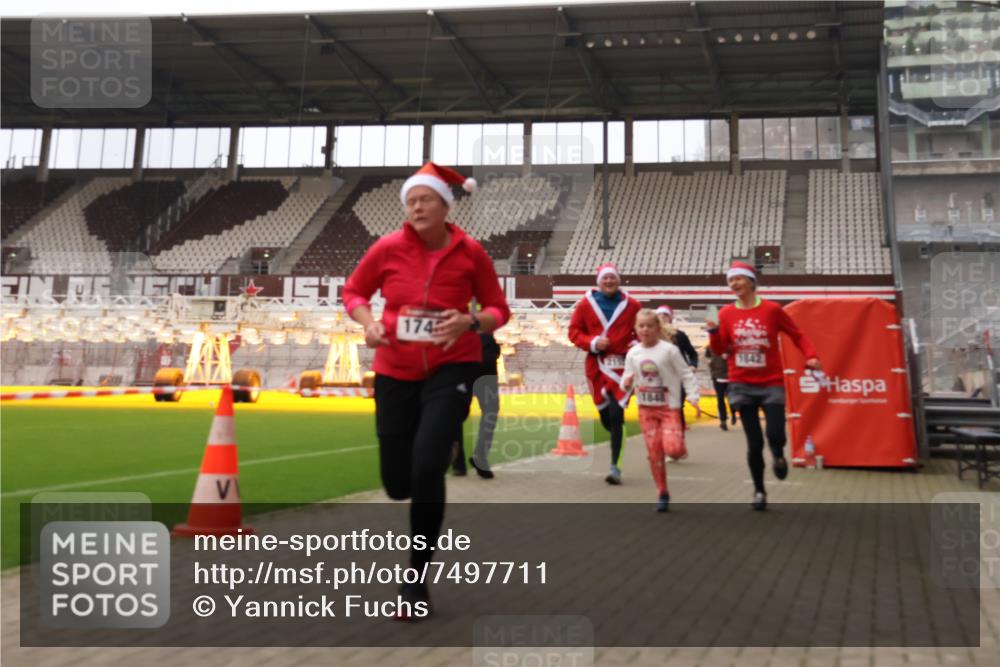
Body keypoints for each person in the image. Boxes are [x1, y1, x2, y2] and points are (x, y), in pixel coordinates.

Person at [343, 162, 510, 617]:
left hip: (451, 367)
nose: (416, 206)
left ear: (444, 205)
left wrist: (470, 322)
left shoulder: (470, 252)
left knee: (426, 468)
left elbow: (499, 308)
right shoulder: (387, 248)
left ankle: (414, 583)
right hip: (395, 368)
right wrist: (369, 323)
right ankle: (443, 446)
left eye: (425, 199)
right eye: (411, 200)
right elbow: (353, 292)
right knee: (397, 485)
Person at [706, 261, 821, 511]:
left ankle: (779, 456)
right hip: (741, 382)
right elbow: (718, 350)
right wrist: (714, 333)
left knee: (776, 435)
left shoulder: (771, 310)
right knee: (754, 442)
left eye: (738, 278)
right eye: (730, 280)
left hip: (771, 382)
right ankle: (759, 491)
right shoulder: (724, 313)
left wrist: (810, 355)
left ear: (751, 281)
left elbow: (797, 334)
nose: (734, 283)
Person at [568, 263, 641, 485]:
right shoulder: (584, 305)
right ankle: (616, 431)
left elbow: (642, 329)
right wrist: (592, 342)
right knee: (606, 418)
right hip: (596, 367)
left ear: (619, 280)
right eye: (605, 278)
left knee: (616, 415)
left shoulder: (633, 305)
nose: (609, 281)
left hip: (622, 367)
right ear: (598, 282)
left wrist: (634, 344)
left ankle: (614, 467)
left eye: (612, 278)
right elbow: (573, 332)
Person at [621, 309, 701, 512]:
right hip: (646, 410)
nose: (645, 329)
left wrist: (693, 396)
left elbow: (685, 374)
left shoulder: (669, 350)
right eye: (641, 326)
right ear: (636, 329)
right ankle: (662, 491)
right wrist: (626, 385)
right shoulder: (633, 353)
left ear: (658, 328)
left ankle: (680, 448)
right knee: (655, 453)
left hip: (669, 408)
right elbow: (627, 379)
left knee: (673, 449)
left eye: (650, 325)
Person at [451, 330, 501, 479]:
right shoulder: (487, 338)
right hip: (485, 372)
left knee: (454, 416)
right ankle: (480, 457)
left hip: (465, 370)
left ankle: (458, 464)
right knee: (490, 414)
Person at [655, 305, 698, 431]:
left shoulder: (680, 335)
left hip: (678, 373)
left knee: (678, 401)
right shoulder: (651, 336)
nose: (662, 317)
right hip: (659, 374)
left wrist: (692, 365)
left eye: (665, 315)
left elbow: (692, 353)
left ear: (670, 318)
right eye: (659, 315)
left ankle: (678, 426)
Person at [706, 346, 736, 430]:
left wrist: (728, 357)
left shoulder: (729, 347)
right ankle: (723, 421)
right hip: (717, 376)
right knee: (720, 398)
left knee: (730, 397)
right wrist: (710, 363)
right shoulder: (710, 347)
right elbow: (708, 357)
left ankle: (733, 413)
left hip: (729, 376)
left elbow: (735, 358)